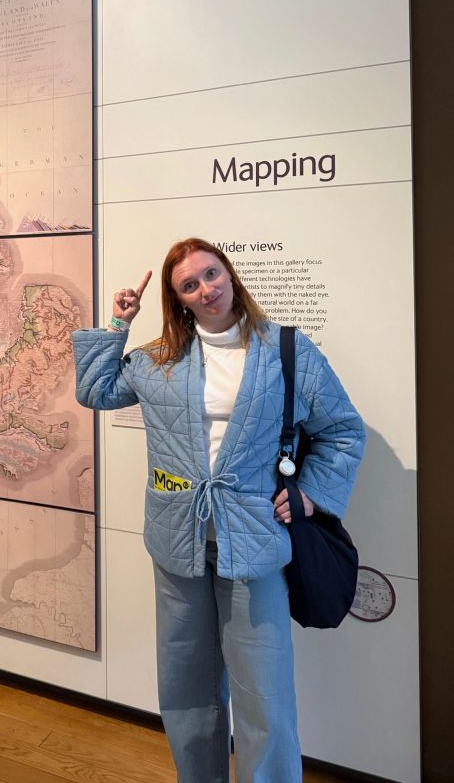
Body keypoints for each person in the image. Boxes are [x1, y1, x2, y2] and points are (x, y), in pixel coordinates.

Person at [72, 238, 365, 783]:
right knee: (185, 689)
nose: (206, 289)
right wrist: (118, 324)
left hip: (254, 541)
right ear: (178, 298)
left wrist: (311, 494)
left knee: (265, 696)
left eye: (211, 274)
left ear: (229, 274)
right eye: (189, 285)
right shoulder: (161, 359)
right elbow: (96, 390)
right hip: (176, 540)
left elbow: (343, 432)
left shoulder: (287, 351)